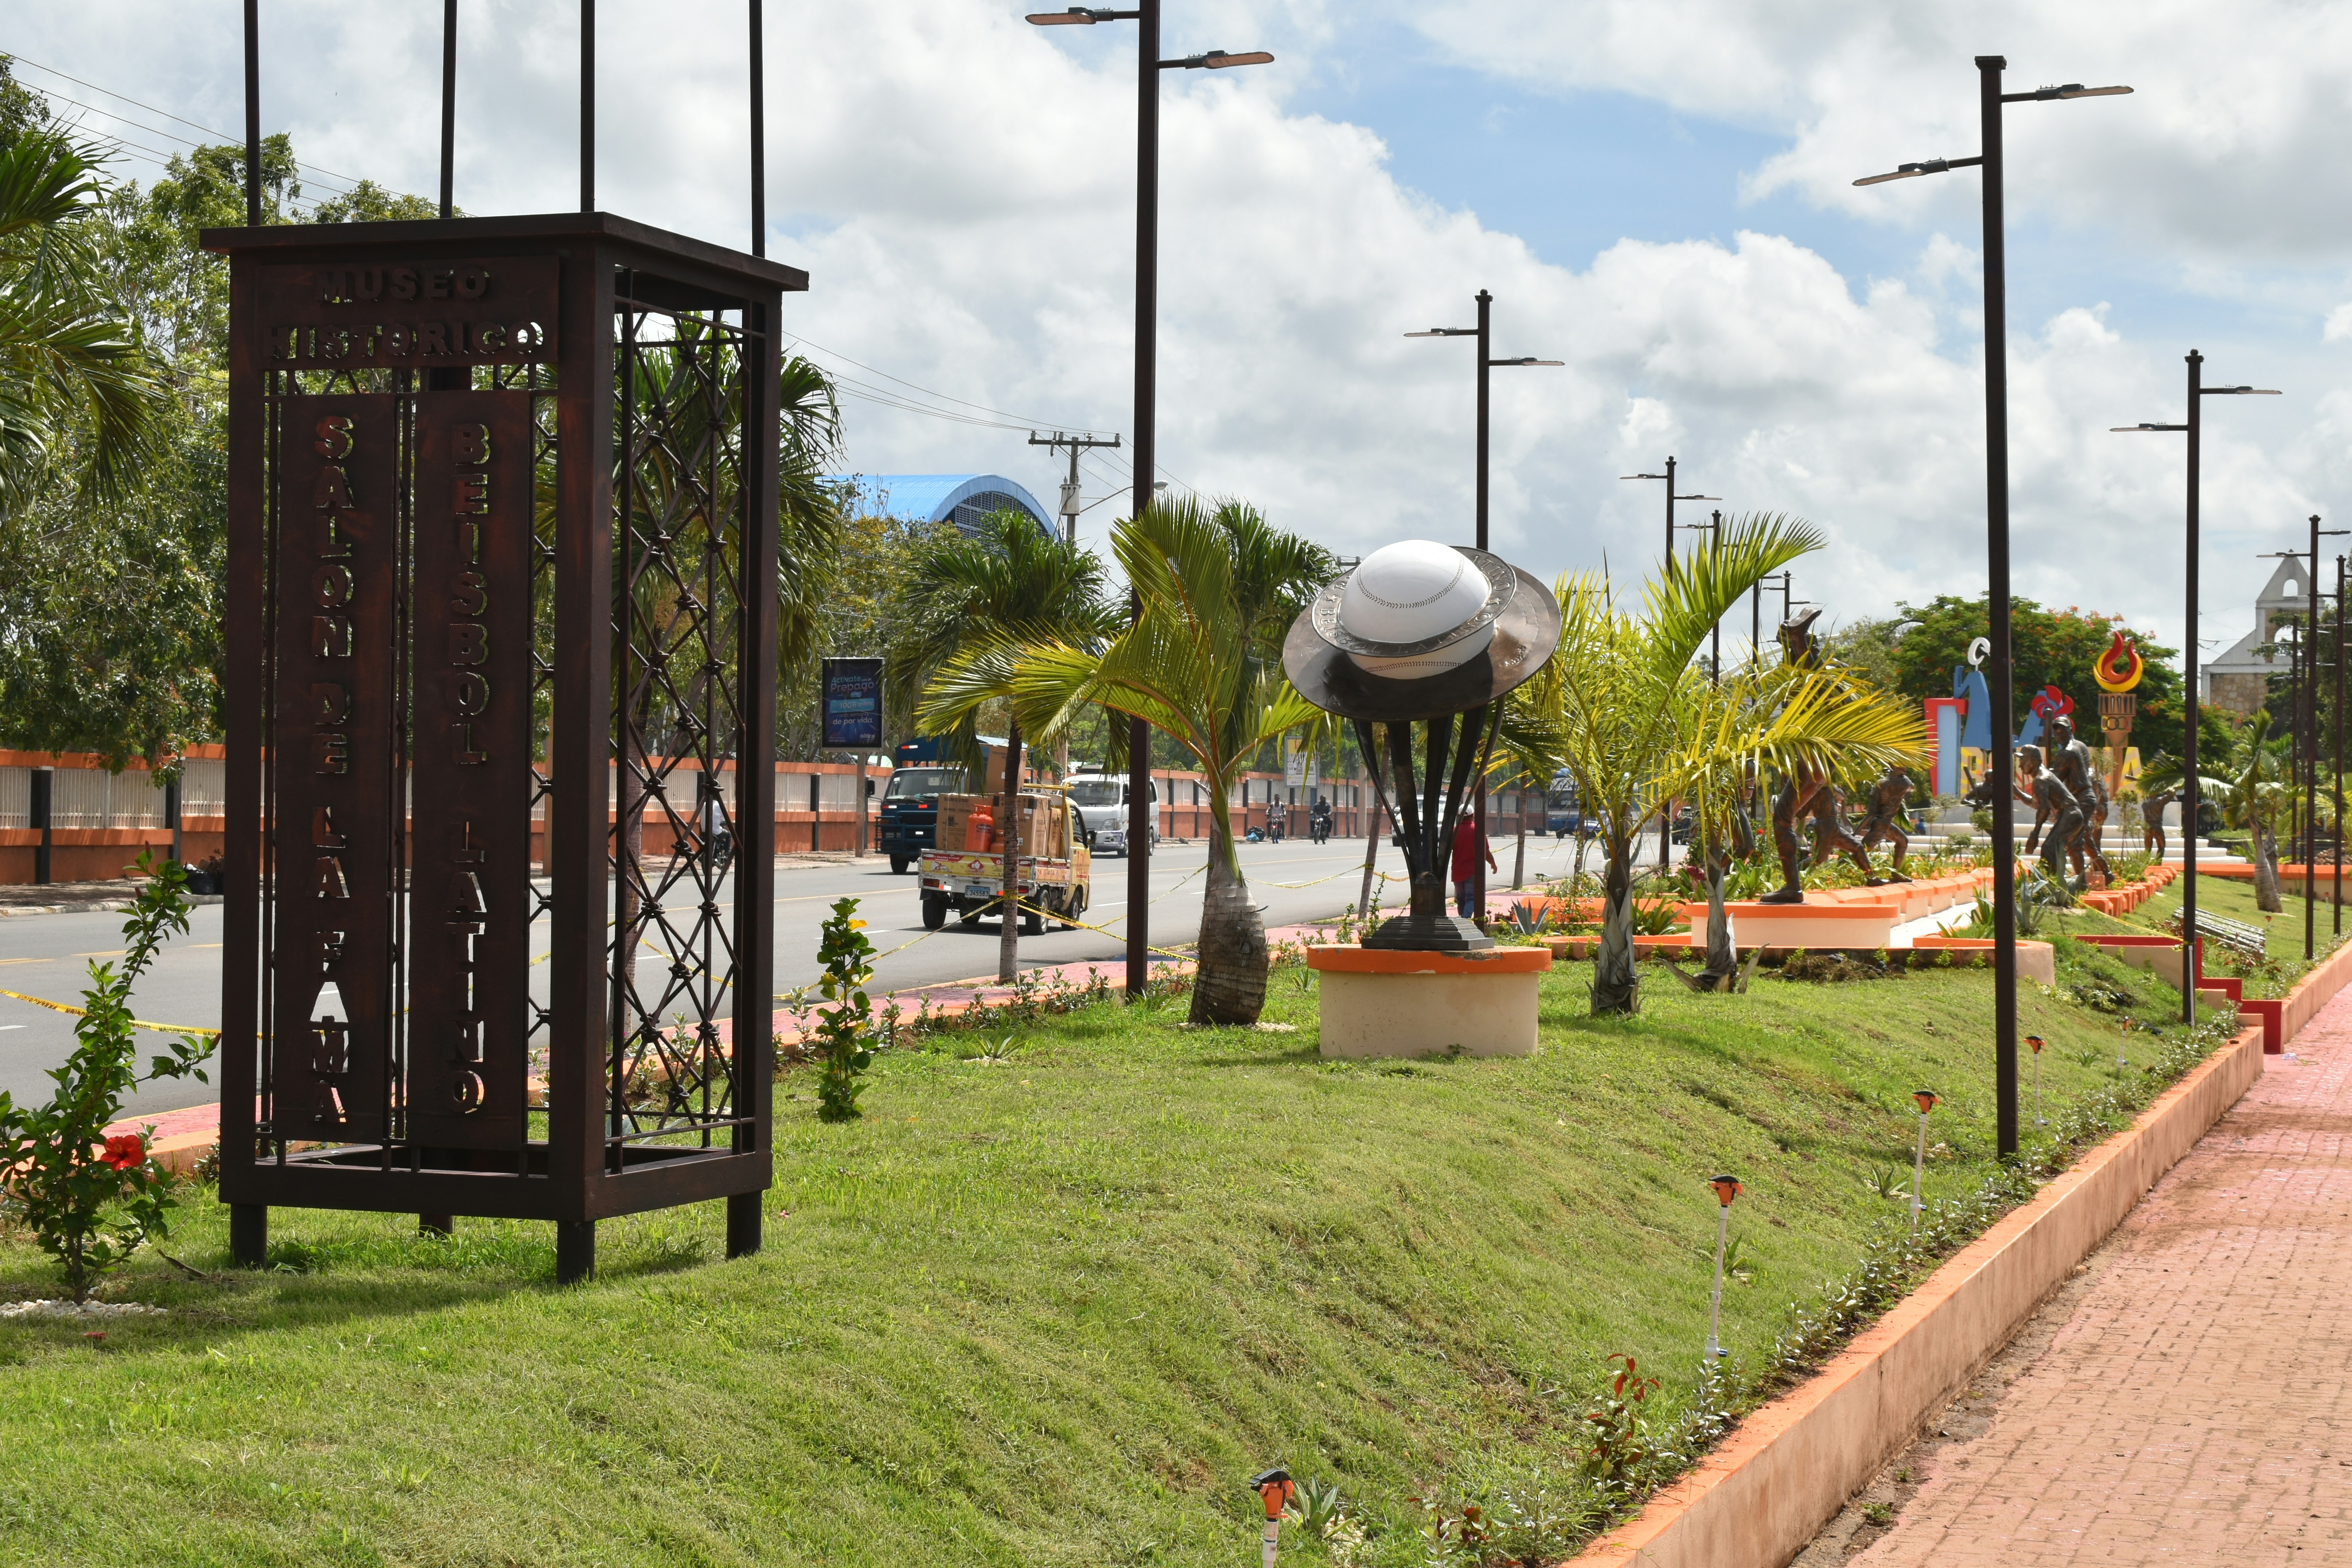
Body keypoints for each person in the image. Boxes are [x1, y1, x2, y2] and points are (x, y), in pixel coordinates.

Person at [1450, 811, 1497, 920]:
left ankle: (1462, 921)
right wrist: (1493, 864)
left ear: (1459, 816)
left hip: (1457, 872)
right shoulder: (1477, 830)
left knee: (1461, 898)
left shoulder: (1454, 831)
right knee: (1471, 899)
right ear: (1472, 816)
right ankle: (1465, 919)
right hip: (1472, 871)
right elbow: (1486, 852)